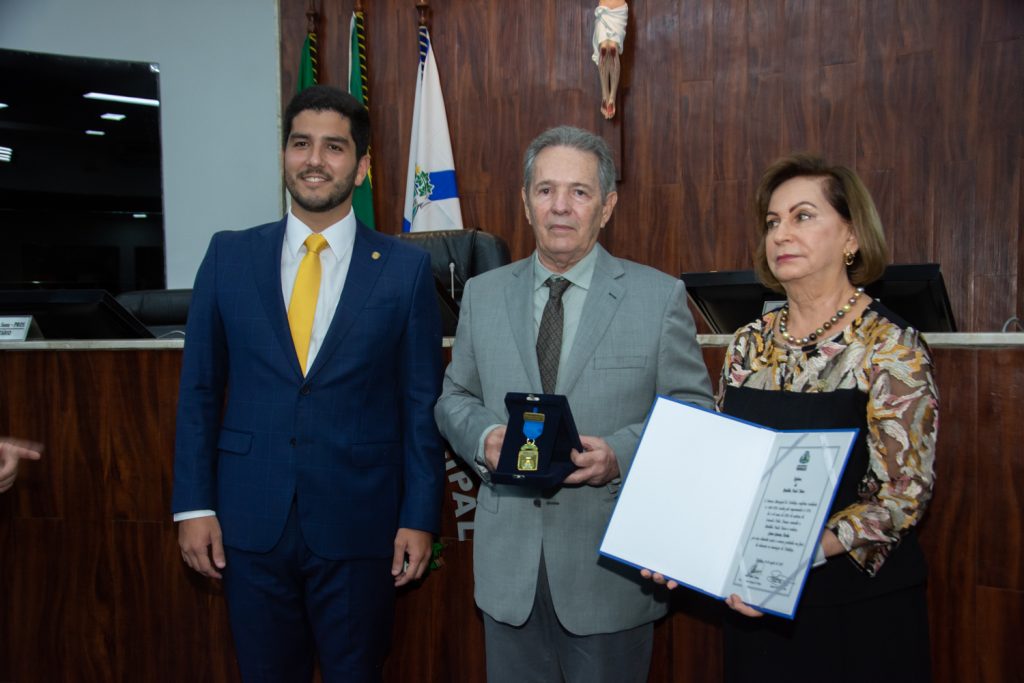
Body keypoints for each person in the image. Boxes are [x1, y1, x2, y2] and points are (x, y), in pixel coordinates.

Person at [172, 85, 444, 682]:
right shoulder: (228, 256)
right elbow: (198, 392)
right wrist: (193, 505)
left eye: (334, 147)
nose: (314, 159)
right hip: (248, 523)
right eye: (300, 144)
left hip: (361, 525)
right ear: (284, 154)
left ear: (362, 166)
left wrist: (420, 515)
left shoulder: (404, 270)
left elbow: (421, 404)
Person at [644, 153, 938, 682]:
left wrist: (796, 556)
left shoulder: (890, 347)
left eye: (803, 216)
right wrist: (677, 542)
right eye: (772, 222)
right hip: (753, 606)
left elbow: (902, 497)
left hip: (856, 610)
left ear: (851, 237)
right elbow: (720, 470)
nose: (781, 234)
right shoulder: (748, 344)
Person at [435, 125, 713, 683]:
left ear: (607, 206)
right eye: (545, 190)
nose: (560, 207)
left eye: (580, 192)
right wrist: (484, 437)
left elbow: (693, 413)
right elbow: (454, 397)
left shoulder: (658, 298)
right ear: (525, 199)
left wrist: (620, 455)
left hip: (607, 574)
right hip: (507, 570)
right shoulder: (483, 295)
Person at [592, 0, 628, 119]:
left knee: (613, 48)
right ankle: (605, 95)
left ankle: (612, 97)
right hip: (603, 12)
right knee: (603, 48)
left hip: (619, 13)